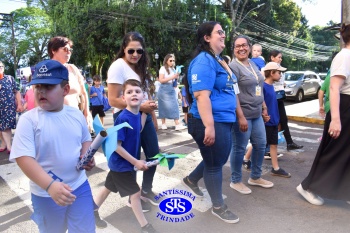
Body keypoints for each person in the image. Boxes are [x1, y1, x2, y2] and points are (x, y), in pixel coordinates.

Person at [9, 60, 96, 233]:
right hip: (46, 194)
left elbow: (85, 139)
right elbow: (23, 158)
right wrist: (50, 186)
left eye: (48, 86)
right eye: (38, 86)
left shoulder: (76, 114)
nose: (41, 91)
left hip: (79, 186)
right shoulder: (29, 120)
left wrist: (87, 155)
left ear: (65, 90)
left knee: (85, 229)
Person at [93, 32, 160, 228]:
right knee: (132, 184)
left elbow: (145, 97)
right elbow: (113, 100)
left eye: (139, 50)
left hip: (140, 115)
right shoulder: (117, 67)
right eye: (131, 50)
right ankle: (144, 223)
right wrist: (140, 108)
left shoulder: (140, 68)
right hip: (128, 118)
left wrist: (150, 115)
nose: (135, 54)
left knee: (110, 184)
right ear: (124, 48)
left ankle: (93, 208)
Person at [182, 21, 242, 224]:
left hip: (224, 120)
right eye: (219, 32)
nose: (224, 35)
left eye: (224, 32)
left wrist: (238, 115)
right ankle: (218, 206)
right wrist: (209, 126)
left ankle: (191, 179)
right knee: (215, 165)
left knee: (215, 159)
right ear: (207, 38)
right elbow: (201, 96)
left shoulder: (217, 60)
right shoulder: (203, 61)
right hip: (208, 121)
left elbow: (231, 89)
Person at [296, 23, 350, 206]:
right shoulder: (344, 56)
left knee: (346, 153)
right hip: (343, 108)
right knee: (332, 151)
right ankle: (307, 186)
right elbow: (334, 88)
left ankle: (345, 190)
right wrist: (335, 119)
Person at [228, 35, 273, 196]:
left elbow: (258, 87)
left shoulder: (252, 64)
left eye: (244, 45)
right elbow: (233, 93)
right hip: (243, 115)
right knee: (239, 148)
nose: (241, 48)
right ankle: (235, 180)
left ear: (249, 46)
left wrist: (264, 107)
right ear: (233, 49)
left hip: (256, 113)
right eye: (237, 46)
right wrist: (240, 116)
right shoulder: (233, 67)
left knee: (261, 145)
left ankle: (255, 177)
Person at [47, 36, 90, 121]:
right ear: (53, 50)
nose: (69, 52)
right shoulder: (45, 71)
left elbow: (84, 93)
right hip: (55, 120)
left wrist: (87, 114)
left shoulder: (73, 68)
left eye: (70, 50)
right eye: (65, 49)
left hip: (76, 118)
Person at [269, 50, 303, 151]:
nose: (280, 59)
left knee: (283, 120)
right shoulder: (269, 69)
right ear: (272, 57)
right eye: (279, 57)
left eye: (281, 57)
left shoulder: (279, 69)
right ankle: (268, 147)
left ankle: (289, 142)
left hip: (279, 97)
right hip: (272, 98)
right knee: (273, 122)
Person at [263, 62, 291, 178]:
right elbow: (260, 103)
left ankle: (276, 168)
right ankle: (246, 159)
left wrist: (278, 120)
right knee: (260, 144)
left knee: (273, 145)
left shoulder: (271, 86)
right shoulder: (263, 86)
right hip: (266, 122)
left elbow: (273, 105)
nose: (280, 75)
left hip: (274, 121)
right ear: (271, 73)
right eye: (279, 72)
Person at [158, 54, 187, 131]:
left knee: (175, 105)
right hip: (164, 89)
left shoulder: (173, 69)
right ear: (166, 61)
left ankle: (177, 124)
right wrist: (173, 77)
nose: (172, 62)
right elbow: (161, 80)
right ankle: (163, 124)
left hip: (172, 88)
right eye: (170, 60)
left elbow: (175, 82)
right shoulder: (163, 68)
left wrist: (179, 93)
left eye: (173, 60)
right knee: (162, 106)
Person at [0, 61, 24, 154]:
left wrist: (19, 104)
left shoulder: (10, 78)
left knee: (7, 127)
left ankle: (9, 146)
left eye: (1, 66)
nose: (0, 67)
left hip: (8, 107)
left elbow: (16, 92)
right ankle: (3, 144)